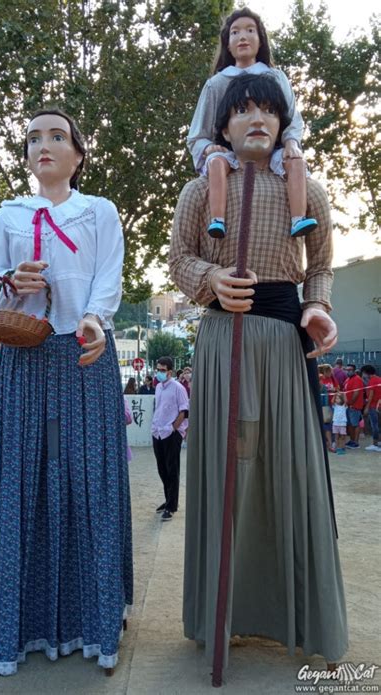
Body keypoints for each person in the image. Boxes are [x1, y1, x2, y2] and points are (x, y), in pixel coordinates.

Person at [170, 73, 347, 672]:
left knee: (288, 472)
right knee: (229, 473)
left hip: (283, 343)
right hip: (225, 345)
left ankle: (294, 615)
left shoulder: (307, 191)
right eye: (241, 109)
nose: (256, 119)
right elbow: (180, 259)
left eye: (267, 110)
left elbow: (320, 264)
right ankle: (220, 618)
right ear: (221, 126)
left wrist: (317, 308)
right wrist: (211, 280)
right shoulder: (200, 192)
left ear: (282, 123)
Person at [0, 108, 132, 675]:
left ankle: (93, 620)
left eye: (57, 136)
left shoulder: (100, 212)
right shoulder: (6, 215)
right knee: (25, 481)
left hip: (86, 352)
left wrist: (95, 318)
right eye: (33, 138)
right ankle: (24, 624)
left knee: (88, 479)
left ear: (78, 153)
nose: (43, 145)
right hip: (24, 355)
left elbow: (108, 274)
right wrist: (11, 282)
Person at [188, 7, 316, 240]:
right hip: (229, 156)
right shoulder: (216, 84)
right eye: (235, 32)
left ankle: (298, 218)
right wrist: (209, 148)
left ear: (261, 40)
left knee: (297, 163)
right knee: (216, 163)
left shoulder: (275, 78)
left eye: (250, 30)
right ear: (227, 43)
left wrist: (291, 142)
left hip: (274, 154)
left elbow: (292, 119)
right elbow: (198, 133)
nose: (243, 37)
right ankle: (218, 220)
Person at [151, 356, 189, 521]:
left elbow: (184, 411)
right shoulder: (158, 387)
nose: (159, 373)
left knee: (172, 469)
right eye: (158, 369)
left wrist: (173, 428)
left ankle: (172, 506)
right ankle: (168, 500)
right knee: (162, 469)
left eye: (162, 370)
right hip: (157, 432)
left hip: (171, 434)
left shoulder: (178, 388)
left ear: (170, 372)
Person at [361, 365, 381, 452]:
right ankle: (378, 442)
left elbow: (371, 395)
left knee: (374, 425)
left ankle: (375, 443)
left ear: (366, 372)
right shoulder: (379, 379)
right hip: (378, 405)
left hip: (373, 406)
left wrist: (366, 407)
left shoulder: (372, 381)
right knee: (378, 425)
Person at [344, 364, 364, 449]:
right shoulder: (348, 379)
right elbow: (345, 391)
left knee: (355, 424)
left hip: (354, 406)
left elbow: (356, 393)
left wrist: (350, 403)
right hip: (348, 406)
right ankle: (352, 441)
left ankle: (356, 443)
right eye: (347, 369)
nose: (348, 371)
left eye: (350, 369)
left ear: (354, 370)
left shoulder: (357, 379)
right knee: (350, 424)